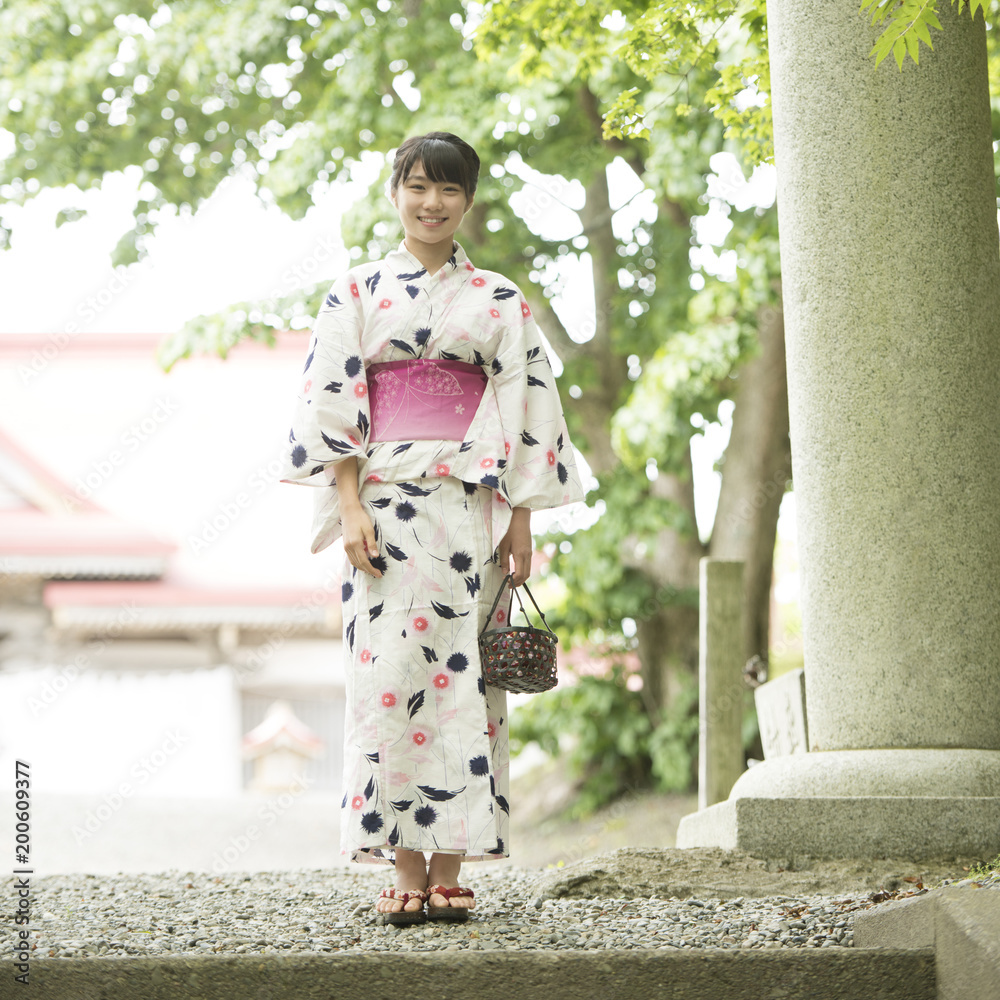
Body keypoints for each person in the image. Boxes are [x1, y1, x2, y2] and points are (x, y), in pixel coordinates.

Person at [280, 131, 584, 924]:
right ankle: (403, 868)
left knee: (466, 680)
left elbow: (529, 406)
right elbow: (333, 401)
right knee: (388, 680)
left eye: (449, 190)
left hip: (469, 508)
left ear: (469, 200)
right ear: (395, 193)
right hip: (382, 509)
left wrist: (521, 521)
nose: (432, 203)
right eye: (418, 186)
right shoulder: (354, 294)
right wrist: (348, 508)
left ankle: (450, 868)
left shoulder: (499, 299)